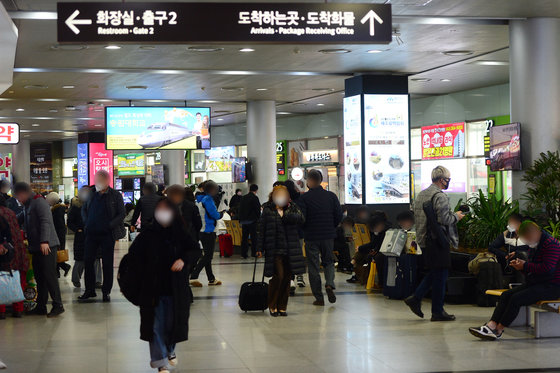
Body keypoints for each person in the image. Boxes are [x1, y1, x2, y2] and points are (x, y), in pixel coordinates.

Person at [128, 198, 198, 372]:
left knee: (172, 325)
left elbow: (195, 250)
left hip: (175, 289)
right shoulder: (147, 234)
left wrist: (183, 260)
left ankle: (170, 350)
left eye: (166, 209)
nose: (163, 213)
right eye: (159, 209)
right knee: (156, 326)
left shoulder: (181, 232)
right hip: (153, 290)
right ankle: (160, 363)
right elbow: (133, 256)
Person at [469, 221, 560, 341]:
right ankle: (491, 325)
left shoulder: (551, 244)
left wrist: (525, 266)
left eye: (526, 238)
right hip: (538, 282)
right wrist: (521, 267)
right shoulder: (536, 244)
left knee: (516, 299)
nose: (526, 242)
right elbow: (532, 267)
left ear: (533, 233)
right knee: (506, 295)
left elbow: (547, 269)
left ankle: (498, 330)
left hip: (553, 286)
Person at [405, 166, 465, 322]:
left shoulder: (421, 195)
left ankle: (416, 299)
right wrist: (457, 216)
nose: (448, 182)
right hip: (438, 240)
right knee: (441, 275)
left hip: (424, 240)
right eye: (447, 179)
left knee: (436, 273)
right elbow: (445, 219)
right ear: (441, 179)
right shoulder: (440, 196)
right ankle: (436, 311)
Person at [13, 182, 64, 317]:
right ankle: (41, 306)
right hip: (36, 247)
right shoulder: (28, 205)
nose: (18, 200)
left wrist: (44, 241)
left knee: (49, 276)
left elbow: (45, 221)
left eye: (18, 196)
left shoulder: (39, 202)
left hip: (47, 246)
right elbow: (18, 219)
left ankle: (58, 305)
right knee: (40, 277)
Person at [257, 185, 305, 317]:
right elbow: (261, 231)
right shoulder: (268, 210)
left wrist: (287, 211)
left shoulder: (292, 208)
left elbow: (301, 219)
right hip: (275, 249)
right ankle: (272, 305)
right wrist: (259, 248)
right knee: (279, 276)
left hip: (290, 249)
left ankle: (282, 306)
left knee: (287, 278)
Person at [79, 170, 126, 302]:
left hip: (107, 234)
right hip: (91, 233)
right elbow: (83, 209)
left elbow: (121, 214)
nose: (98, 181)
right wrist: (86, 223)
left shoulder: (115, 195)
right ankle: (89, 290)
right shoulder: (90, 193)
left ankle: (106, 291)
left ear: (107, 180)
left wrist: (110, 225)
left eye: (101, 179)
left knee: (107, 263)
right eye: (97, 178)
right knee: (88, 261)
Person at [299, 169, 343, 306]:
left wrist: (305, 229)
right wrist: (332, 226)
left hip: (312, 236)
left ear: (309, 181)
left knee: (313, 266)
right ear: (320, 180)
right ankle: (329, 284)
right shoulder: (331, 196)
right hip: (328, 235)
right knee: (329, 261)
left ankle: (319, 297)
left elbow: (302, 218)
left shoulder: (304, 198)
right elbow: (338, 215)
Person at [0, 194, 28, 319]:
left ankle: (1, 311)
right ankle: (18, 310)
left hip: (3, 251)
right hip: (16, 250)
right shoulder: (11, 212)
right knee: (17, 279)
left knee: (1, 279)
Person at [68, 187, 101, 288]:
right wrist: (77, 229)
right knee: (80, 260)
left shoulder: (95, 205)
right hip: (81, 237)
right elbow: (70, 222)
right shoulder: (76, 207)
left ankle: (97, 281)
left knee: (96, 259)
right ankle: (76, 279)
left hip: (93, 235)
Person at [190, 180, 223, 287]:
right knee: (208, 256)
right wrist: (222, 213)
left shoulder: (199, 199)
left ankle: (211, 278)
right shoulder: (208, 200)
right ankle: (194, 276)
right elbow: (215, 215)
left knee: (207, 256)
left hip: (202, 230)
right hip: (209, 231)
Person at [347, 214, 389, 285]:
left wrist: (361, 248)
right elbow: (374, 243)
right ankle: (361, 276)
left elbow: (375, 243)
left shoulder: (385, 230)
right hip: (375, 249)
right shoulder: (377, 230)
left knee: (365, 254)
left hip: (381, 251)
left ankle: (352, 264)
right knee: (361, 253)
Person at [285, 179, 306, 288]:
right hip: (299, 232)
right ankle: (300, 277)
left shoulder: (282, 200)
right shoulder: (300, 198)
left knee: (288, 256)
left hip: (286, 233)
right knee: (299, 254)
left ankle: (290, 279)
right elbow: (303, 216)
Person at [46, 192, 71, 278]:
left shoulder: (57, 209)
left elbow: (58, 224)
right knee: (57, 253)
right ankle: (58, 272)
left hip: (58, 234)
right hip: (59, 234)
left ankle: (64, 267)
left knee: (57, 253)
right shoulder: (58, 208)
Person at [238, 184, 261, 259]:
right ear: (256, 190)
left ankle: (243, 253)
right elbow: (257, 209)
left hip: (244, 221)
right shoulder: (255, 198)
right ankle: (254, 253)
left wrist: (241, 219)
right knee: (254, 237)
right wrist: (258, 218)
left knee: (244, 238)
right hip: (252, 221)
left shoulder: (243, 198)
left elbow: (240, 209)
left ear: (249, 190)